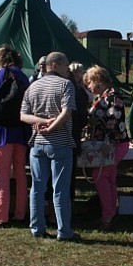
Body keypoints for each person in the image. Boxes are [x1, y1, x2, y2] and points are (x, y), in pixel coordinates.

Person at [20, 52, 77, 241]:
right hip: (60, 142)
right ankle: (64, 230)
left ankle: (37, 227)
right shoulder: (66, 85)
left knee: (37, 187)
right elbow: (67, 111)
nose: (67, 70)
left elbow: (23, 115)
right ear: (55, 65)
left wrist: (41, 121)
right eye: (65, 66)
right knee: (60, 188)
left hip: (37, 143)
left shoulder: (33, 86)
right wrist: (51, 126)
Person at [0, 46, 31, 228]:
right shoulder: (23, 76)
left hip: (4, 131)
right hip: (21, 130)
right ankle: (21, 212)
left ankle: (2, 215)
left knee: (3, 174)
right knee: (21, 173)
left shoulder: (3, 73)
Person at [83, 65, 130, 230]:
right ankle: (111, 213)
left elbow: (114, 121)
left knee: (100, 175)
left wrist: (106, 142)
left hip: (112, 145)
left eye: (89, 82)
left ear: (98, 81)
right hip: (110, 144)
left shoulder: (112, 97)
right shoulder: (103, 97)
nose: (88, 86)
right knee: (109, 178)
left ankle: (108, 215)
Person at [69, 62, 91, 201]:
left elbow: (89, 98)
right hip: (73, 132)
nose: (79, 75)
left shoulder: (80, 88)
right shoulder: (73, 89)